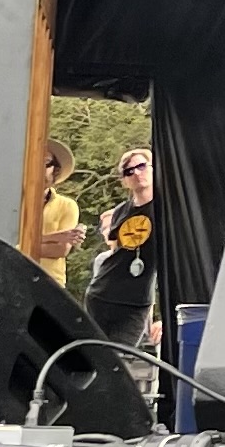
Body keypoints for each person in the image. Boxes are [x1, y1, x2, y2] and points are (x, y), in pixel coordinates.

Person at [86, 148, 164, 368]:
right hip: (102, 295)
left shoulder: (166, 210)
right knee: (93, 361)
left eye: (142, 166)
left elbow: (171, 268)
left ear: (152, 169)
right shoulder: (121, 211)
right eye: (129, 171)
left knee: (117, 365)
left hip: (136, 303)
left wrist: (162, 316)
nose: (137, 173)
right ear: (125, 181)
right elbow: (115, 251)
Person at [33, 138, 84, 282]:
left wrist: (20, 247)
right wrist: (52, 238)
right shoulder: (11, 202)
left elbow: (60, 250)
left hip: (50, 282)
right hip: (11, 278)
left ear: (55, 169)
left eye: (45, 162)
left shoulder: (67, 205)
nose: (38, 167)